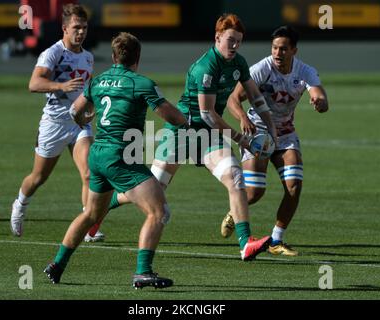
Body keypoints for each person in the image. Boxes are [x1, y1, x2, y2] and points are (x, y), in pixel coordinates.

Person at [104, 13, 278, 261]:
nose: (235, 46)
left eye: (239, 41)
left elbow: (255, 96)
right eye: (231, 40)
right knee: (152, 188)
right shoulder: (205, 67)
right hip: (182, 132)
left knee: (235, 176)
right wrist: (241, 139)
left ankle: (245, 243)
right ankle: (101, 207)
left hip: (209, 136)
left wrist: (272, 127)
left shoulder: (238, 62)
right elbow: (207, 114)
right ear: (217, 38)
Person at [44, 32, 189, 289]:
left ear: (113, 57)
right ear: (138, 58)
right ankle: (142, 272)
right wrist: (189, 122)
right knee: (159, 212)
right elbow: (174, 118)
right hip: (122, 156)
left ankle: (57, 264)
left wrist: (83, 122)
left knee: (90, 214)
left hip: (97, 155)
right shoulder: (142, 83)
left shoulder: (98, 81)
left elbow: (75, 110)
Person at [221, 25, 329, 256]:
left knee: (294, 186)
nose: (278, 53)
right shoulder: (262, 69)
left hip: (285, 135)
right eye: (274, 48)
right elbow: (233, 99)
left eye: (283, 49)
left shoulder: (305, 71)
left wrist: (320, 102)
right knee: (254, 193)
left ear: (294, 51)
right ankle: (234, 211)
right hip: (258, 132)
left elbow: (320, 95)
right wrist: (242, 117)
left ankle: (276, 240)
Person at [10, 4, 104, 242]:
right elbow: (34, 83)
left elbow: (87, 88)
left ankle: (89, 227)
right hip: (54, 124)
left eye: (84, 27)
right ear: (64, 28)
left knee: (89, 173)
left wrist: (91, 108)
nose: (81, 32)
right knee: (39, 177)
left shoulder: (88, 57)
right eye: (76, 27)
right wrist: (61, 86)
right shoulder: (53, 53)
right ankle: (20, 205)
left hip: (79, 124)